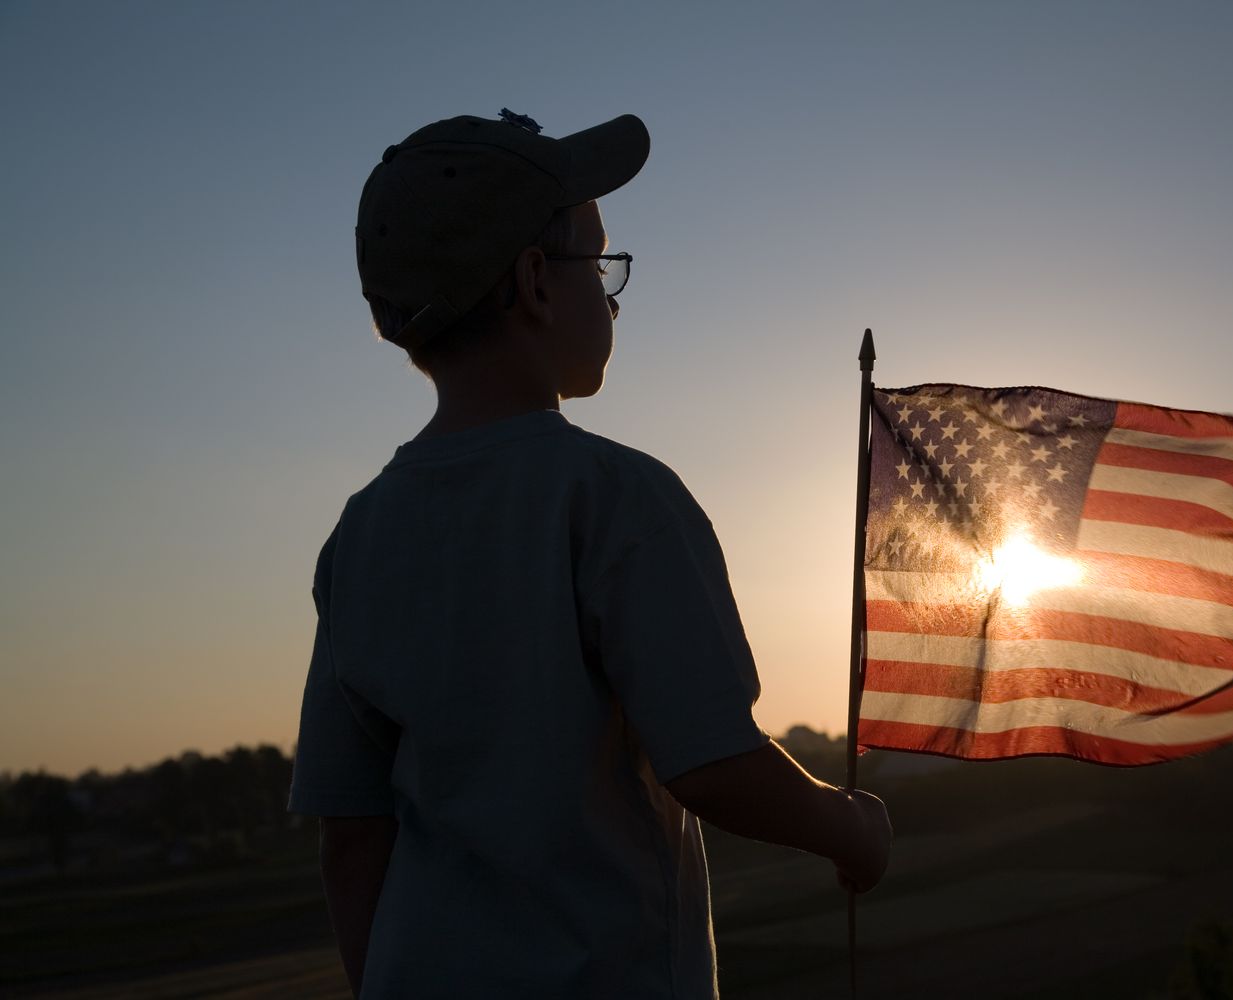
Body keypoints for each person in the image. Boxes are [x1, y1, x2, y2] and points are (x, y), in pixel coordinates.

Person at [287, 109, 892, 999]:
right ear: (535, 280)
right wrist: (850, 828)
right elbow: (713, 763)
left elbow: (350, 832)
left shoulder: (360, 532)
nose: (611, 295)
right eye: (600, 264)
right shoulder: (616, 497)